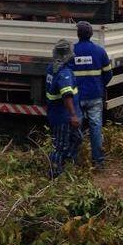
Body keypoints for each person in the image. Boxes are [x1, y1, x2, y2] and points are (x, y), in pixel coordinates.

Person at [71, 20, 112, 168]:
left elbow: (66, 76)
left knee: (75, 129)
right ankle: (98, 162)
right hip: (95, 96)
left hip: (77, 97)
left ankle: (74, 161)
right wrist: (100, 86)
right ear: (91, 34)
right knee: (95, 128)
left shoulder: (71, 52)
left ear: (78, 34)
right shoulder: (100, 51)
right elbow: (108, 74)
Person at [45, 39, 82, 177]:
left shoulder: (51, 68)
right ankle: (55, 173)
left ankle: (65, 165)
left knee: (77, 138)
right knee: (60, 146)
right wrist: (73, 115)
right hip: (63, 116)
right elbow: (67, 95)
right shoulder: (64, 73)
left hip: (56, 113)